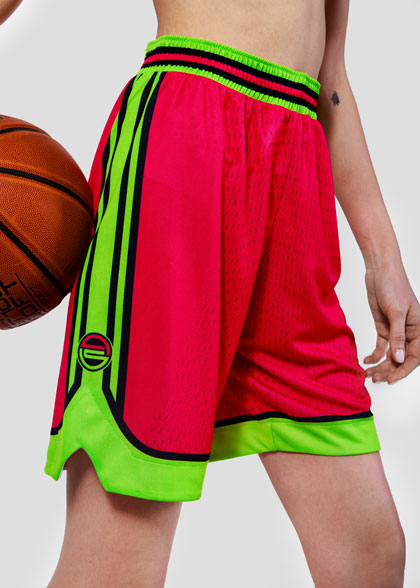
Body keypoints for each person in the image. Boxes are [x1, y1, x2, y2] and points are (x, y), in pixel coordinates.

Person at [3, 1, 419, 586]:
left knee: (370, 555)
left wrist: (384, 259)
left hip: (295, 180)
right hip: (189, 137)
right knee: (117, 562)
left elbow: (331, 78)